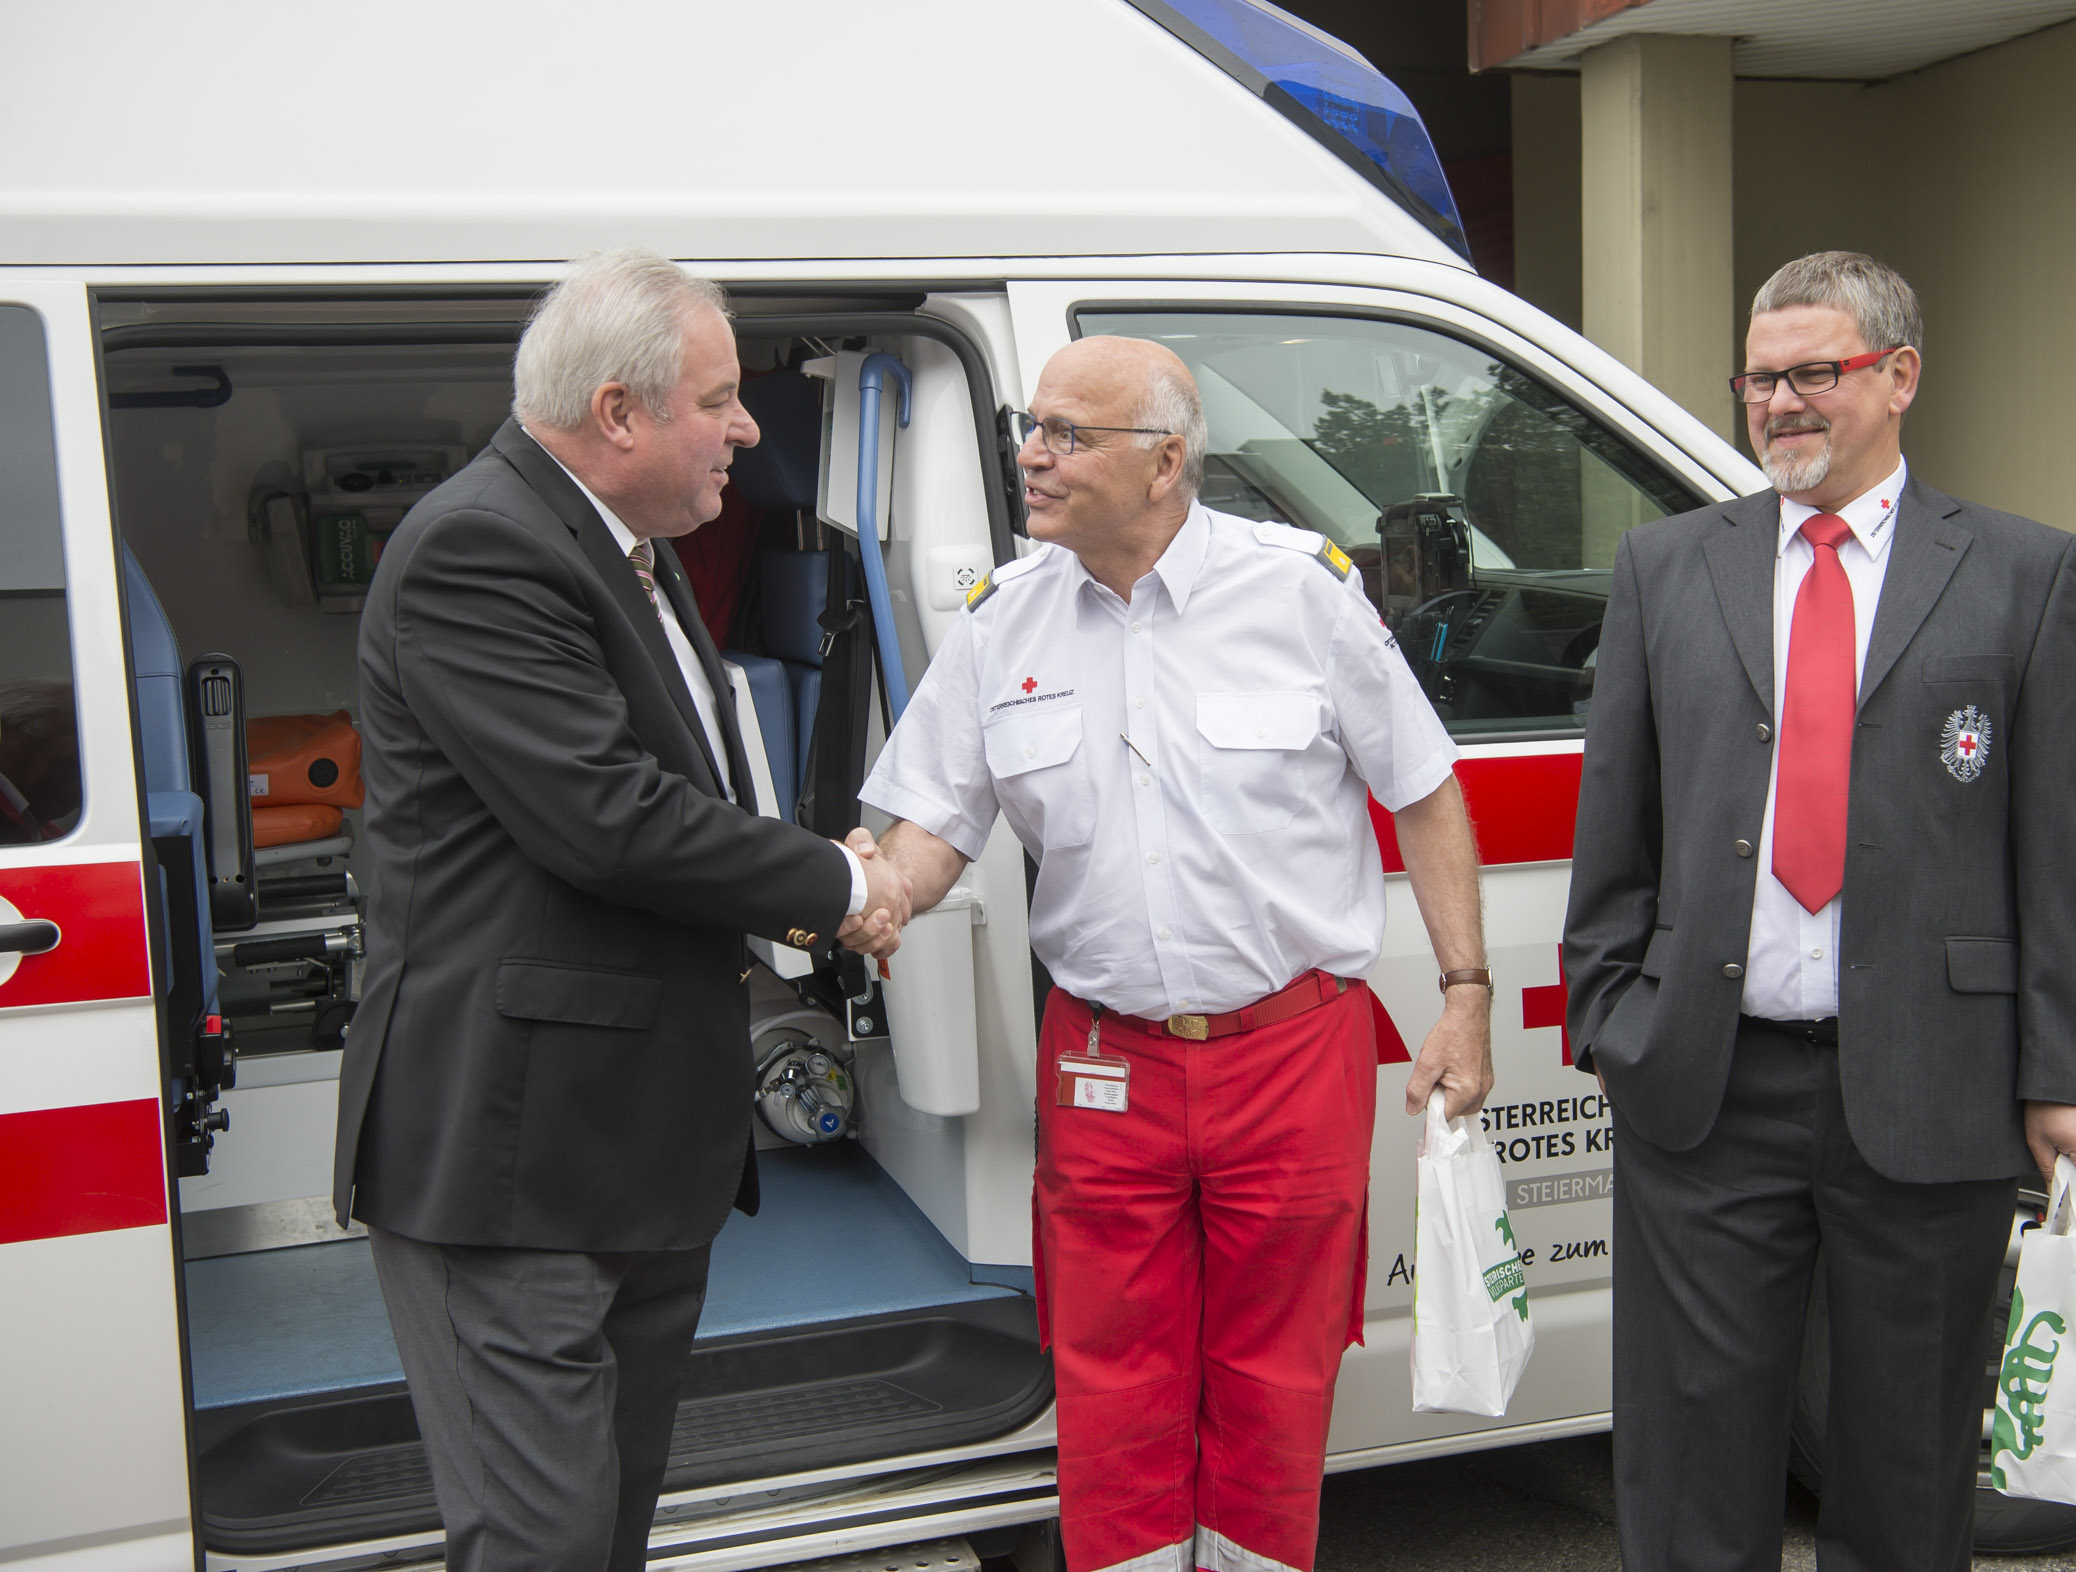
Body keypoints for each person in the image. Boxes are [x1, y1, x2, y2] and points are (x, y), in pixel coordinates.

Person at [856, 335, 1492, 1572]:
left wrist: (1464, 992)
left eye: (1067, 435)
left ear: (1164, 462)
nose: (1032, 457)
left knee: (1275, 1372)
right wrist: (873, 890)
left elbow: (1422, 790)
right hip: (1105, 1060)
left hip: (1289, 1049)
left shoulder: (1298, 592)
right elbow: (931, 825)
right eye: (1031, 429)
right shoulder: (1003, 618)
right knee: (1110, 1373)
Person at [332, 250, 907, 1572]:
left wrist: (809, 868)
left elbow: (678, 790)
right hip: (513, 1160)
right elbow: (607, 818)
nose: (747, 429)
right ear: (618, 413)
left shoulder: (623, 548)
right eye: (719, 401)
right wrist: (840, 888)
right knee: (542, 1540)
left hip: (624, 1151)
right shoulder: (483, 546)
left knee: (605, 1530)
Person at [1561, 251, 2076, 1572]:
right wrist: (1611, 1017)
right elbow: (1617, 819)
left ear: (1898, 375)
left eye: (1812, 372)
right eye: (1759, 379)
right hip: (1707, 1086)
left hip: (1933, 1084)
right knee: (1690, 1463)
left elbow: (2058, 852)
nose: (1778, 403)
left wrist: (2067, 1076)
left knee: (1904, 1468)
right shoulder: (1665, 567)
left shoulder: (2021, 573)